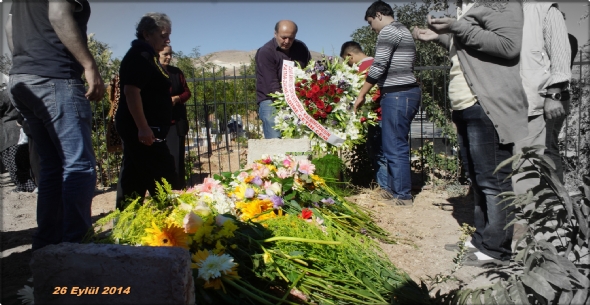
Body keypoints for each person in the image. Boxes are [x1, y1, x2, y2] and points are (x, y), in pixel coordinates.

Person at [413, 0, 528, 266]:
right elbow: (467, 48)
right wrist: (441, 37)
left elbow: (509, 47)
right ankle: (482, 240)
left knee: (494, 182)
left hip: (486, 105)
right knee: (477, 179)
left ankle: (496, 250)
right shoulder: (467, 7)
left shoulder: (501, 4)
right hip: (465, 105)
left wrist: (457, 27)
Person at [6, 0, 105, 250]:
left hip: (22, 78)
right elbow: (59, 14)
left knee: (51, 165)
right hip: (55, 78)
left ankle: (48, 243)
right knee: (79, 165)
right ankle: (76, 244)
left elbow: (9, 27)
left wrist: (27, 63)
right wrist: (89, 65)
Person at [354, 1, 421, 206]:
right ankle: (395, 190)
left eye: (370, 22)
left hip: (398, 94)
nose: (372, 28)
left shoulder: (388, 32)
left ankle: (402, 195)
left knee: (394, 145)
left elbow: (379, 65)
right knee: (393, 143)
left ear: (379, 15)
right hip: (404, 93)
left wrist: (362, 93)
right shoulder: (402, 30)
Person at [115, 13, 178, 209]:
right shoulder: (140, 56)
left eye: (168, 35)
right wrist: (143, 127)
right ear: (146, 34)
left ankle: (127, 223)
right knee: (164, 178)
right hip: (145, 130)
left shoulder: (148, 57)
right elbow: (131, 92)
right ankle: (173, 220)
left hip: (148, 129)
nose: (167, 40)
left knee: (134, 178)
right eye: (162, 35)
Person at [513, 1, 571, 194]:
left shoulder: (546, 11)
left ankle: (555, 199)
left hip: (543, 100)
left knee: (546, 151)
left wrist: (553, 95)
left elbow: (561, 63)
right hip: (515, 103)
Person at [340, 41, 390, 198]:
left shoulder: (363, 69)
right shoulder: (378, 63)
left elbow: (372, 94)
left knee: (380, 153)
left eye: (346, 61)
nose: (348, 65)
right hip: (385, 114)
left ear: (350, 56)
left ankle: (385, 188)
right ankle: (387, 185)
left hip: (376, 116)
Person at [255, 20, 311, 139]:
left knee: (299, 138)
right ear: (275, 34)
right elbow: (272, 85)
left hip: (298, 97)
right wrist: (288, 102)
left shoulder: (301, 48)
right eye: (283, 37)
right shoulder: (265, 52)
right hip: (271, 99)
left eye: (291, 38)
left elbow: (308, 71)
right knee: (276, 139)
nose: (287, 41)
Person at [544, 12, 578, 184]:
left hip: (556, 96)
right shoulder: (571, 39)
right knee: (551, 143)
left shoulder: (566, 40)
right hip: (562, 97)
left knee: (548, 145)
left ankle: (555, 191)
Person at [159, 45, 192, 189]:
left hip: (176, 122)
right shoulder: (152, 71)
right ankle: (162, 190)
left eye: (170, 54)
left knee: (177, 158)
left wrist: (177, 98)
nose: (169, 57)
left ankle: (178, 188)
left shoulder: (176, 72)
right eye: (165, 54)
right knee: (160, 158)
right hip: (158, 123)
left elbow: (187, 92)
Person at [1, 90, 36, 193]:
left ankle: (26, 186)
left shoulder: (3, 95)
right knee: (23, 162)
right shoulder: (26, 93)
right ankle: (25, 186)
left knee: (13, 164)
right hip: (23, 129)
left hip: (7, 133)